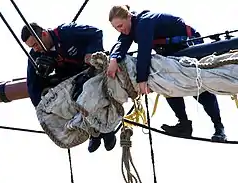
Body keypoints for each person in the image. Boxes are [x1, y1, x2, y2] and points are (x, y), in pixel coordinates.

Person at [107, 5, 227, 142]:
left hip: (188, 46)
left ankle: (219, 127)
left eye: (120, 26)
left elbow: (144, 51)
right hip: (170, 53)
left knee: (197, 86)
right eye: (116, 28)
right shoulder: (130, 29)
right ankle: (184, 125)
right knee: (165, 84)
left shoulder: (144, 22)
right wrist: (114, 59)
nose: (120, 30)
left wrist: (142, 80)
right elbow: (121, 44)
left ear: (129, 17)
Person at [21, 22, 116, 152]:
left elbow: (96, 33)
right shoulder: (36, 55)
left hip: (89, 71)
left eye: (36, 44)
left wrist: (91, 53)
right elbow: (33, 85)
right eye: (32, 47)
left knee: (87, 93)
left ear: (44, 34)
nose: (35, 49)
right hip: (70, 81)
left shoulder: (66, 32)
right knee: (69, 101)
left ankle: (106, 130)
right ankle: (95, 132)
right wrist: (41, 108)